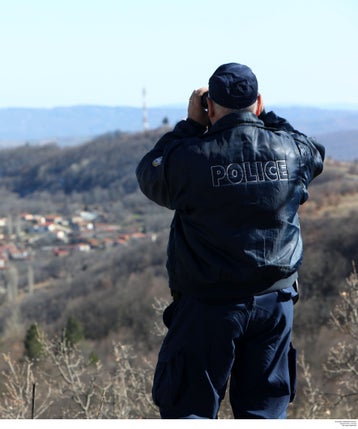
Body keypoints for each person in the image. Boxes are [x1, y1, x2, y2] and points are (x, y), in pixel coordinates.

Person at [135, 63, 325, 419]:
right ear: (258, 103)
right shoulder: (290, 151)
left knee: (189, 409)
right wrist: (265, 117)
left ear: (209, 107)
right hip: (275, 302)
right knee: (264, 412)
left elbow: (151, 172)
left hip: (209, 304)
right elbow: (313, 151)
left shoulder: (191, 157)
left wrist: (190, 126)